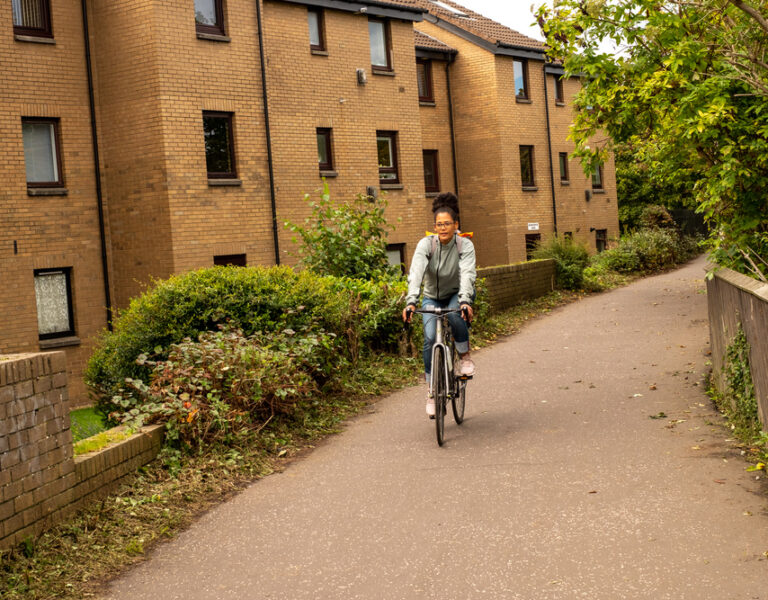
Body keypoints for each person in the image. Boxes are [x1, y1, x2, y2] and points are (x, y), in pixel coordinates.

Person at [402, 193, 476, 418]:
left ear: (456, 225)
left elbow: (467, 274)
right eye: (439, 224)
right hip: (432, 297)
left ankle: (463, 356)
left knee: (455, 316)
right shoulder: (426, 245)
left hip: (455, 294)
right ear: (434, 226)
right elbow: (415, 273)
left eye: (447, 224)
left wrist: (465, 300)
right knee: (429, 338)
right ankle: (432, 391)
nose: (442, 228)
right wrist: (411, 301)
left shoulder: (465, 245)